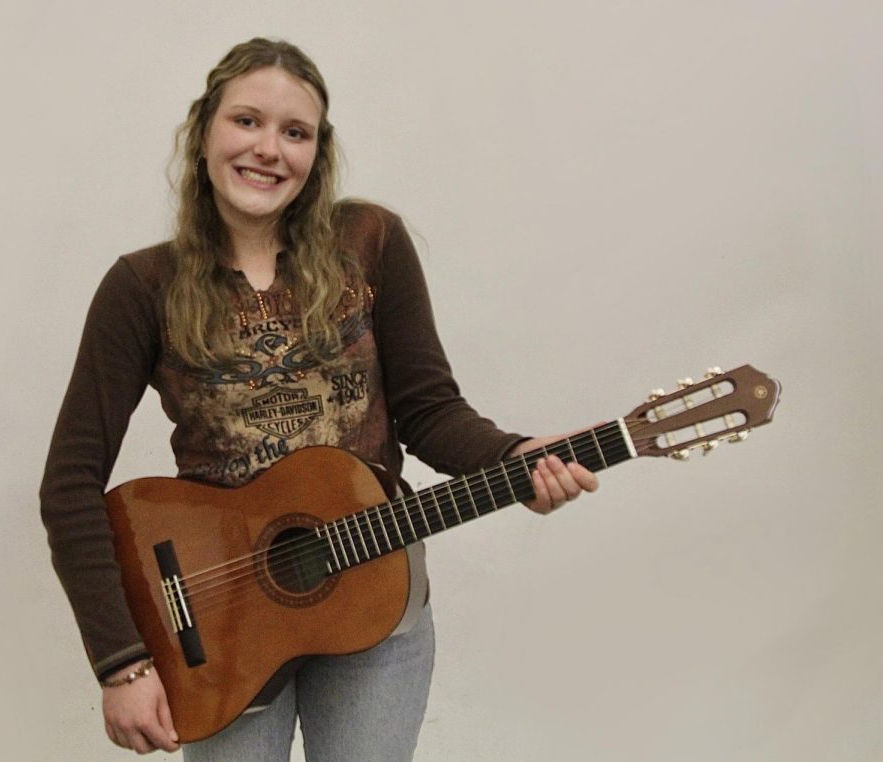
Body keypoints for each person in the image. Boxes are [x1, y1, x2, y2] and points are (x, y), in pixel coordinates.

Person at [40, 37, 598, 760]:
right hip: (219, 622)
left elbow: (430, 411)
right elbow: (70, 483)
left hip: (377, 605)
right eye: (247, 121)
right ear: (205, 129)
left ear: (317, 151)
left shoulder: (370, 243)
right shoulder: (143, 287)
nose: (269, 148)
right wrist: (122, 661)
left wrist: (517, 457)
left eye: (294, 132)